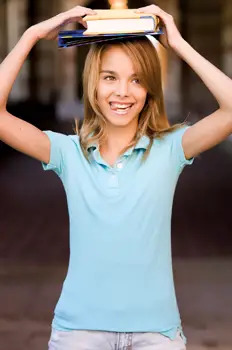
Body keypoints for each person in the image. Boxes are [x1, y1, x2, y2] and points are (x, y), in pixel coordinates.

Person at [0, 4, 231, 350]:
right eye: (110, 77)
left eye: (137, 79)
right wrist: (32, 35)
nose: (122, 91)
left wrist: (178, 43)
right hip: (78, 332)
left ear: (150, 89)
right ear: (93, 83)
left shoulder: (169, 149)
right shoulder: (68, 153)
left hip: (157, 334)